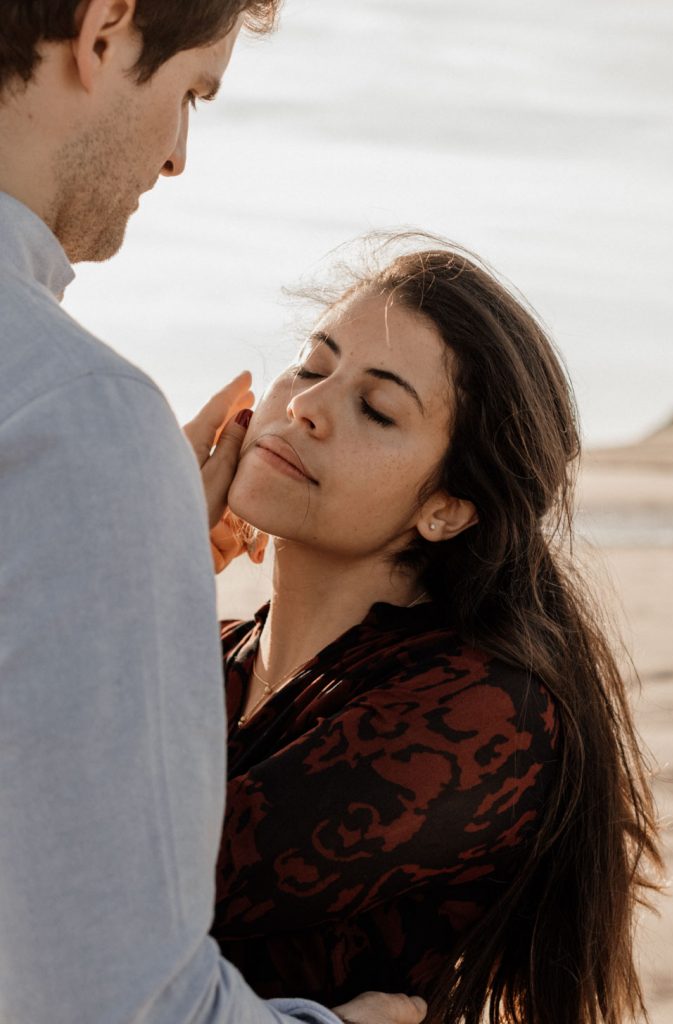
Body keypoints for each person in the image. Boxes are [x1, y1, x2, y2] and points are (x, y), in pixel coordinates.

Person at [0, 5, 427, 1024]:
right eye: (191, 91)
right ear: (106, 29)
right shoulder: (75, 416)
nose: (181, 155)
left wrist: (120, 567)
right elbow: (114, 1001)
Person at [209, 238, 663, 1023]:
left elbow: (121, 883)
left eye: (377, 409)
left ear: (447, 508)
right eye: (313, 367)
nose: (305, 408)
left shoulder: (480, 714)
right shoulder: (200, 650)